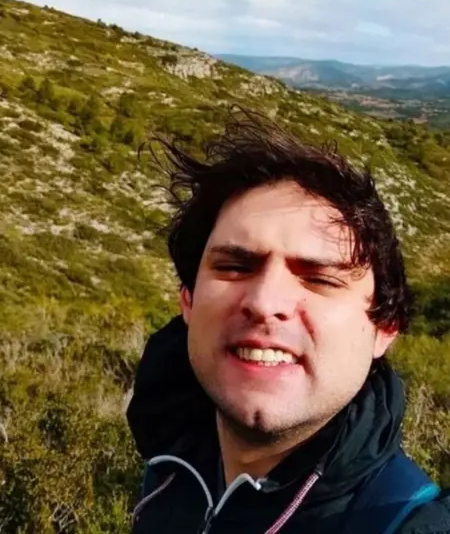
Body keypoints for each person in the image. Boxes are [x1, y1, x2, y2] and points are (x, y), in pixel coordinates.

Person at [127, 107, 449, 533]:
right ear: (187, 300)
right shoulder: (169, 473)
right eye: (235, 267)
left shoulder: (410, 524)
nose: (264, 302)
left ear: (385, 327)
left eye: (319, 279)